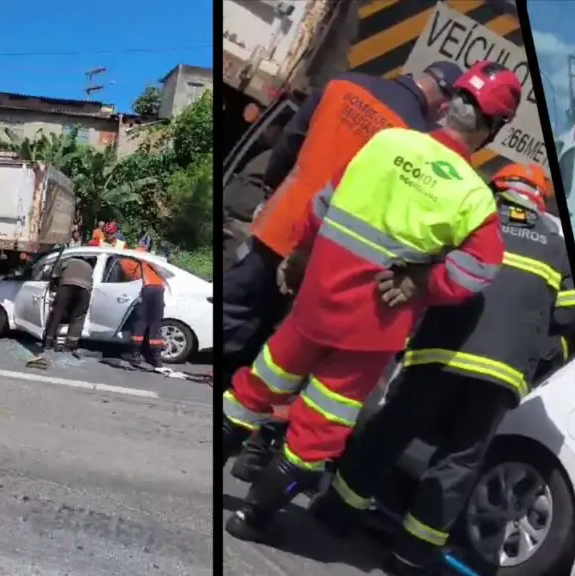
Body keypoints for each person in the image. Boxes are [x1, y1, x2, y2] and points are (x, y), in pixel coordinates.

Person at [221, 61, 523, 544]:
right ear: (493, 127)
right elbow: (480, 269)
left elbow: (324, 202)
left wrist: (299, 255)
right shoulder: (473, 197)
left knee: (255, 388)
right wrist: (426, 283)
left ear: (453, 103)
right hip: (372, 332)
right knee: (317, 431)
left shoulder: (387, 143)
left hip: (314, 303)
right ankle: (252, 519)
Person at [308, 163, 575, 575]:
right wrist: (537, 354)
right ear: (538, 199)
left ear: (498, 188)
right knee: (459, 462)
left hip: (441, 352)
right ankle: (411, 555)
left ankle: (340, 511)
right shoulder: (557, 247)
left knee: (390, 431)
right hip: (501, 376)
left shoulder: (475, 219)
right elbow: (569, 316)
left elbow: (421, 270)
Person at [223, 61, 467, 478]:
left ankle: (227, 416)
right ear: (442, 101)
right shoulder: (415, 142)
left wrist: (276, 190)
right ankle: (256, 454)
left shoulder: (341, 84)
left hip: (282, 228)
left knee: (237, 318)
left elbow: (289, 144)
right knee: (296, 356)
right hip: (336, 259)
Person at [26, 255, 94, 367]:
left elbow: (54, 277)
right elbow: (90, 284)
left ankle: (48, 342)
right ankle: (69, 345)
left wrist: (57, 290)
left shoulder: (65, 261)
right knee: (78, 316)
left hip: (66, 286)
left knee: (57, 313)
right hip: (84, 291)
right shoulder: (89, 267)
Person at [120, 250, 168, 368]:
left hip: (146, 290)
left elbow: (125, 268)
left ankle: (135, 356)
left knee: (140, 324)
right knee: (155, 325)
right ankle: (157, 360)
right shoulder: (154, 262)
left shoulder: (135, 259)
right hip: (159, 291)